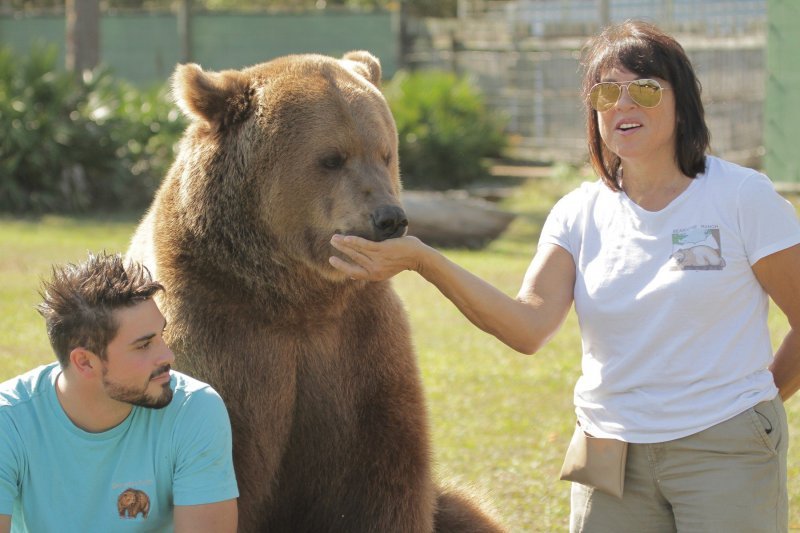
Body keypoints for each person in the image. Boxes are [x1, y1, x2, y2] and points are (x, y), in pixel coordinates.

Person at [329, 20, 800, 533]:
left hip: (723, 447)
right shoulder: (577, 213)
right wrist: (425, 260)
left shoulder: (741, 197)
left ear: (682, 101)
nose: (623, 104)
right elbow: (528, 327)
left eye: (644, 88)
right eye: (605, 91)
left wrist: (756, 402)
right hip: (610, 450)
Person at [0, 252, 238, 532]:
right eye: (144, 345)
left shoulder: (195, 410)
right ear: (85, 362)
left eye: (161, 335)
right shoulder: (9, 422)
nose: (168, 355)